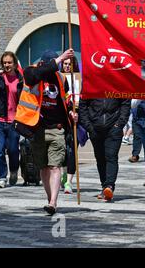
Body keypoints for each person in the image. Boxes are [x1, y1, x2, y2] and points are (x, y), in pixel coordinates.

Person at [16, 49, 75, 215]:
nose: (54, 69)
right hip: (37, 129)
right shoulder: (31, 73)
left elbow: (66, 100)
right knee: (43, 167)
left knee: (55, 166)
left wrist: (71, 113)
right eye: (52, 64)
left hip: (57, 129)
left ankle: (53, 202)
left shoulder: (61, 79)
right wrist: (60, 59)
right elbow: (36, 75)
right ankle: (50, 198)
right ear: (43, 63)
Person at [79, 97, 131, 202]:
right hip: (95, 129)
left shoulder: (118, 84)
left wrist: (119, 124)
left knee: (111, 156)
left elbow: (125, 104)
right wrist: (89, 126)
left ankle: (109, 186)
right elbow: (83, 106)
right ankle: (104, 187)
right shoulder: (91, 85)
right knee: (100, 158)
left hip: (114, 128)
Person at [0, 51, 24, 188]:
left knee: (13, 150)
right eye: (5, 62)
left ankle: (13, 170)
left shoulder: (21, 78)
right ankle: (1, 177)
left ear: (14, 64)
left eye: (9, 62)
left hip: (14, 120)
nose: (7, 65)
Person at [59, 56, 80, 194]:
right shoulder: (59, 78)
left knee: (73, 151)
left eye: (69, 64)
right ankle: (63, 174)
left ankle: (69, 181)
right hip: (62, 119)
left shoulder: (79, 78)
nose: (67, 66)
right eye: (65, 64)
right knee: (62, 151)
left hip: (77, 119)